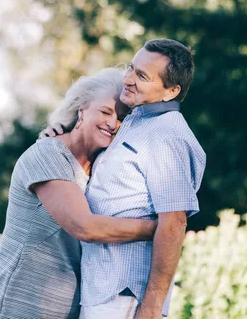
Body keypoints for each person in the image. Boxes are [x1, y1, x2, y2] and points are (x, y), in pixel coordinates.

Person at [0, 68, 158, 319]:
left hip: (66, 310)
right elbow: (85, 227)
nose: (113, 123)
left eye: (123, 119)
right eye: (105, 112)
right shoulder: (48, 154)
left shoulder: (102, 168)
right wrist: (160, 229)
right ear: (81, 111)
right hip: (17, 304)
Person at [47, 39, 206, 319]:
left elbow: (174, 223)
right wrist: (65, 133)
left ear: (171, 91)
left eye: (142, 76)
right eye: (132, 68)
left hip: (127, 297)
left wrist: (152, 307)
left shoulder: (167, 135)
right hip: (101, 288)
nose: (129, 80)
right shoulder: (135, 121)